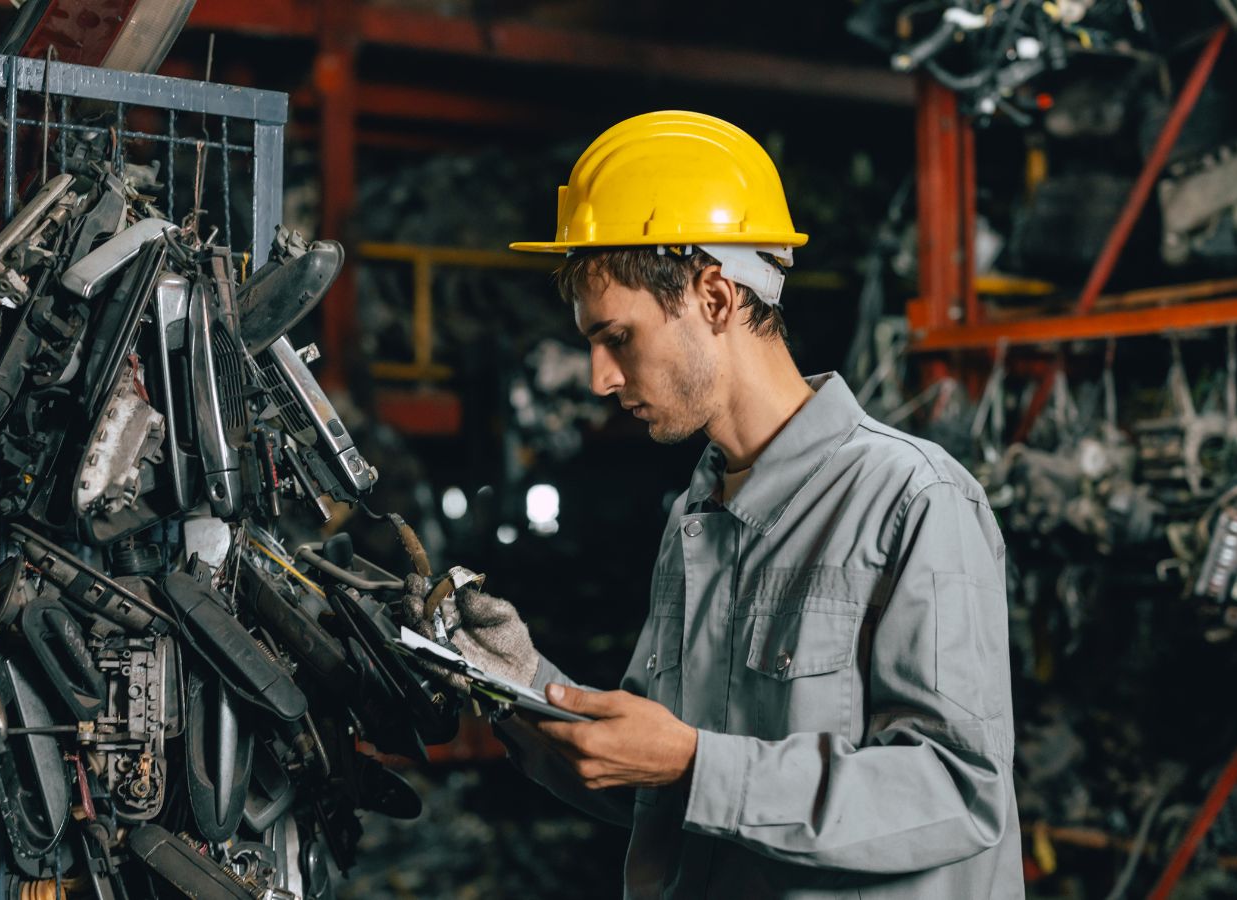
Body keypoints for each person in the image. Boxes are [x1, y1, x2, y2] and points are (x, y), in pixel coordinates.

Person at [402, 110, 1023, 899]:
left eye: (618, 339)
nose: (600, 378)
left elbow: (958, 795)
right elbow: (657, 785)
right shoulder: (697, 515)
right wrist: (522, 687)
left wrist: (700, 765)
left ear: (716, 298)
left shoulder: (910, 500)